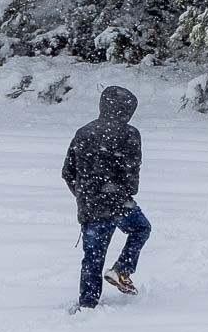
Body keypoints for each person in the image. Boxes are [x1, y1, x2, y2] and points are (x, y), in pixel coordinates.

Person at [62, 86, 152, 309]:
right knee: (141, 228)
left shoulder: (83, 132)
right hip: (119, 201)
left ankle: (87, 304)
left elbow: (67, 171)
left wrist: (83, 195)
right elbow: (132, 170)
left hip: (90, 204)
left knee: (92, 257)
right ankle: (122, 268)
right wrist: (125, 192)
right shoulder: (130, 133)